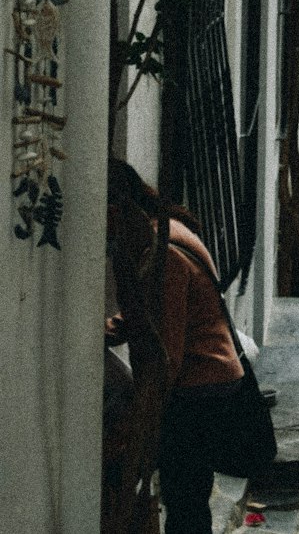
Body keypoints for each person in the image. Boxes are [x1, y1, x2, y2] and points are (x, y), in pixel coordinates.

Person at [107, 160, 245, 534]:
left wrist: (145, 412)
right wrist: (110, 328)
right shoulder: (167, 233)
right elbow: (152, 313)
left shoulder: (164, 249)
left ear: (118, 210)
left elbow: (167, 344)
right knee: (187, 498)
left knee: (185, 502)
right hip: (206, 379)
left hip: (200, 384)